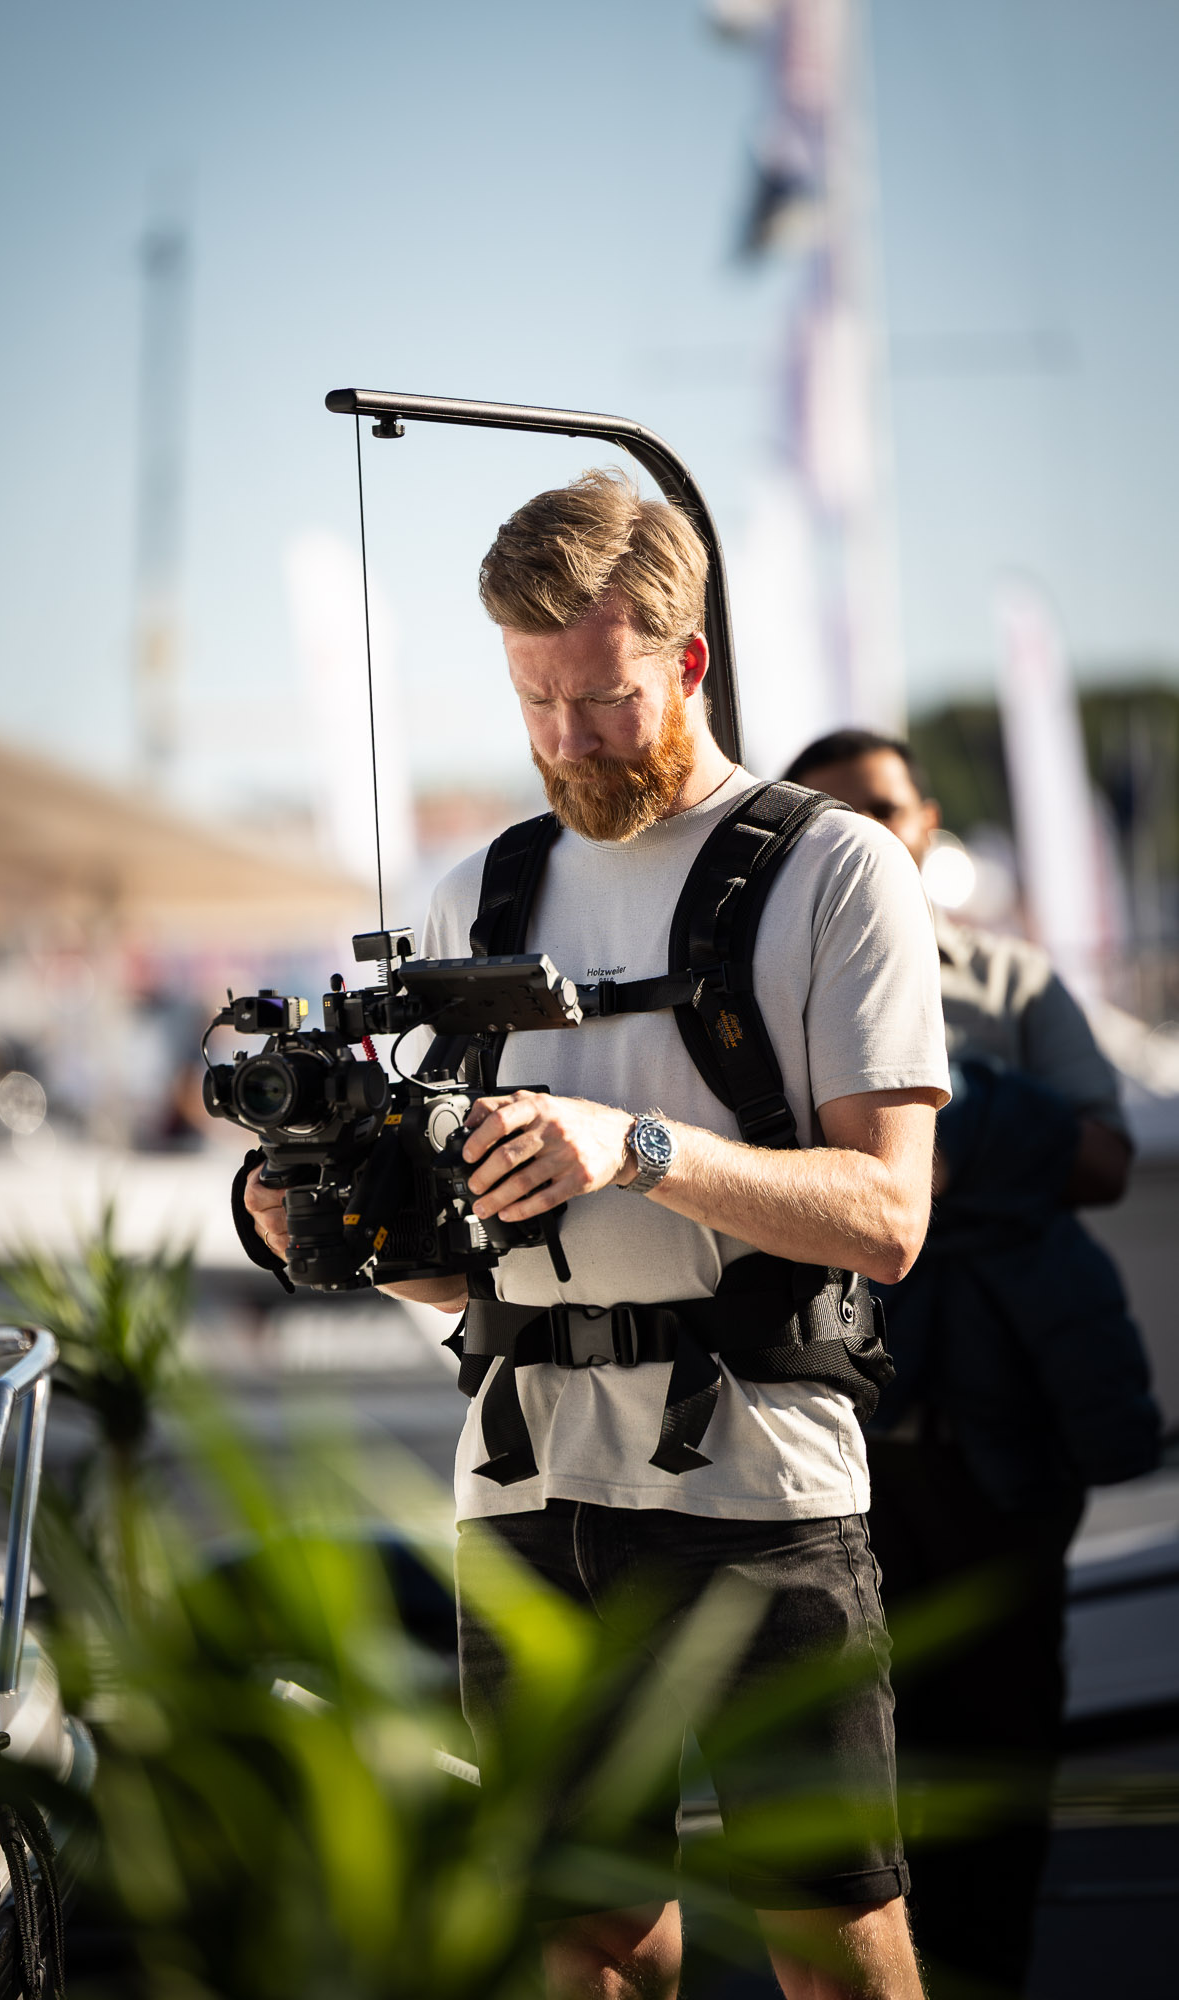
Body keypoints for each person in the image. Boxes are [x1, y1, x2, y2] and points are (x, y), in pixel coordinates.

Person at [245, 473, 950, 2000]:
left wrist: (628, 1148)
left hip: (765, 1489)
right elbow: (455, 1262)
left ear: (688, 661)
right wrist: (323, 1226)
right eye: (533, 703)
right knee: (589, 1952)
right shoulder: (475, 892)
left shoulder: (835, 869)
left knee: (832, 1947)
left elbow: (888, 1217)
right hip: (525, 1490)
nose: (567, 742)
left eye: (604, 699)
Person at [783, 728, 1160, 1992]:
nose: (865, 832)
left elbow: (1101, 1161)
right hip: (829, 1458)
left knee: (999, 1768)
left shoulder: (1009, 979)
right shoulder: (767, 982)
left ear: (929, 820)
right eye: (830, 813)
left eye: (883, 807)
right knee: (856, 1784)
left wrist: (957, 1119)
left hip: (995, 1453)